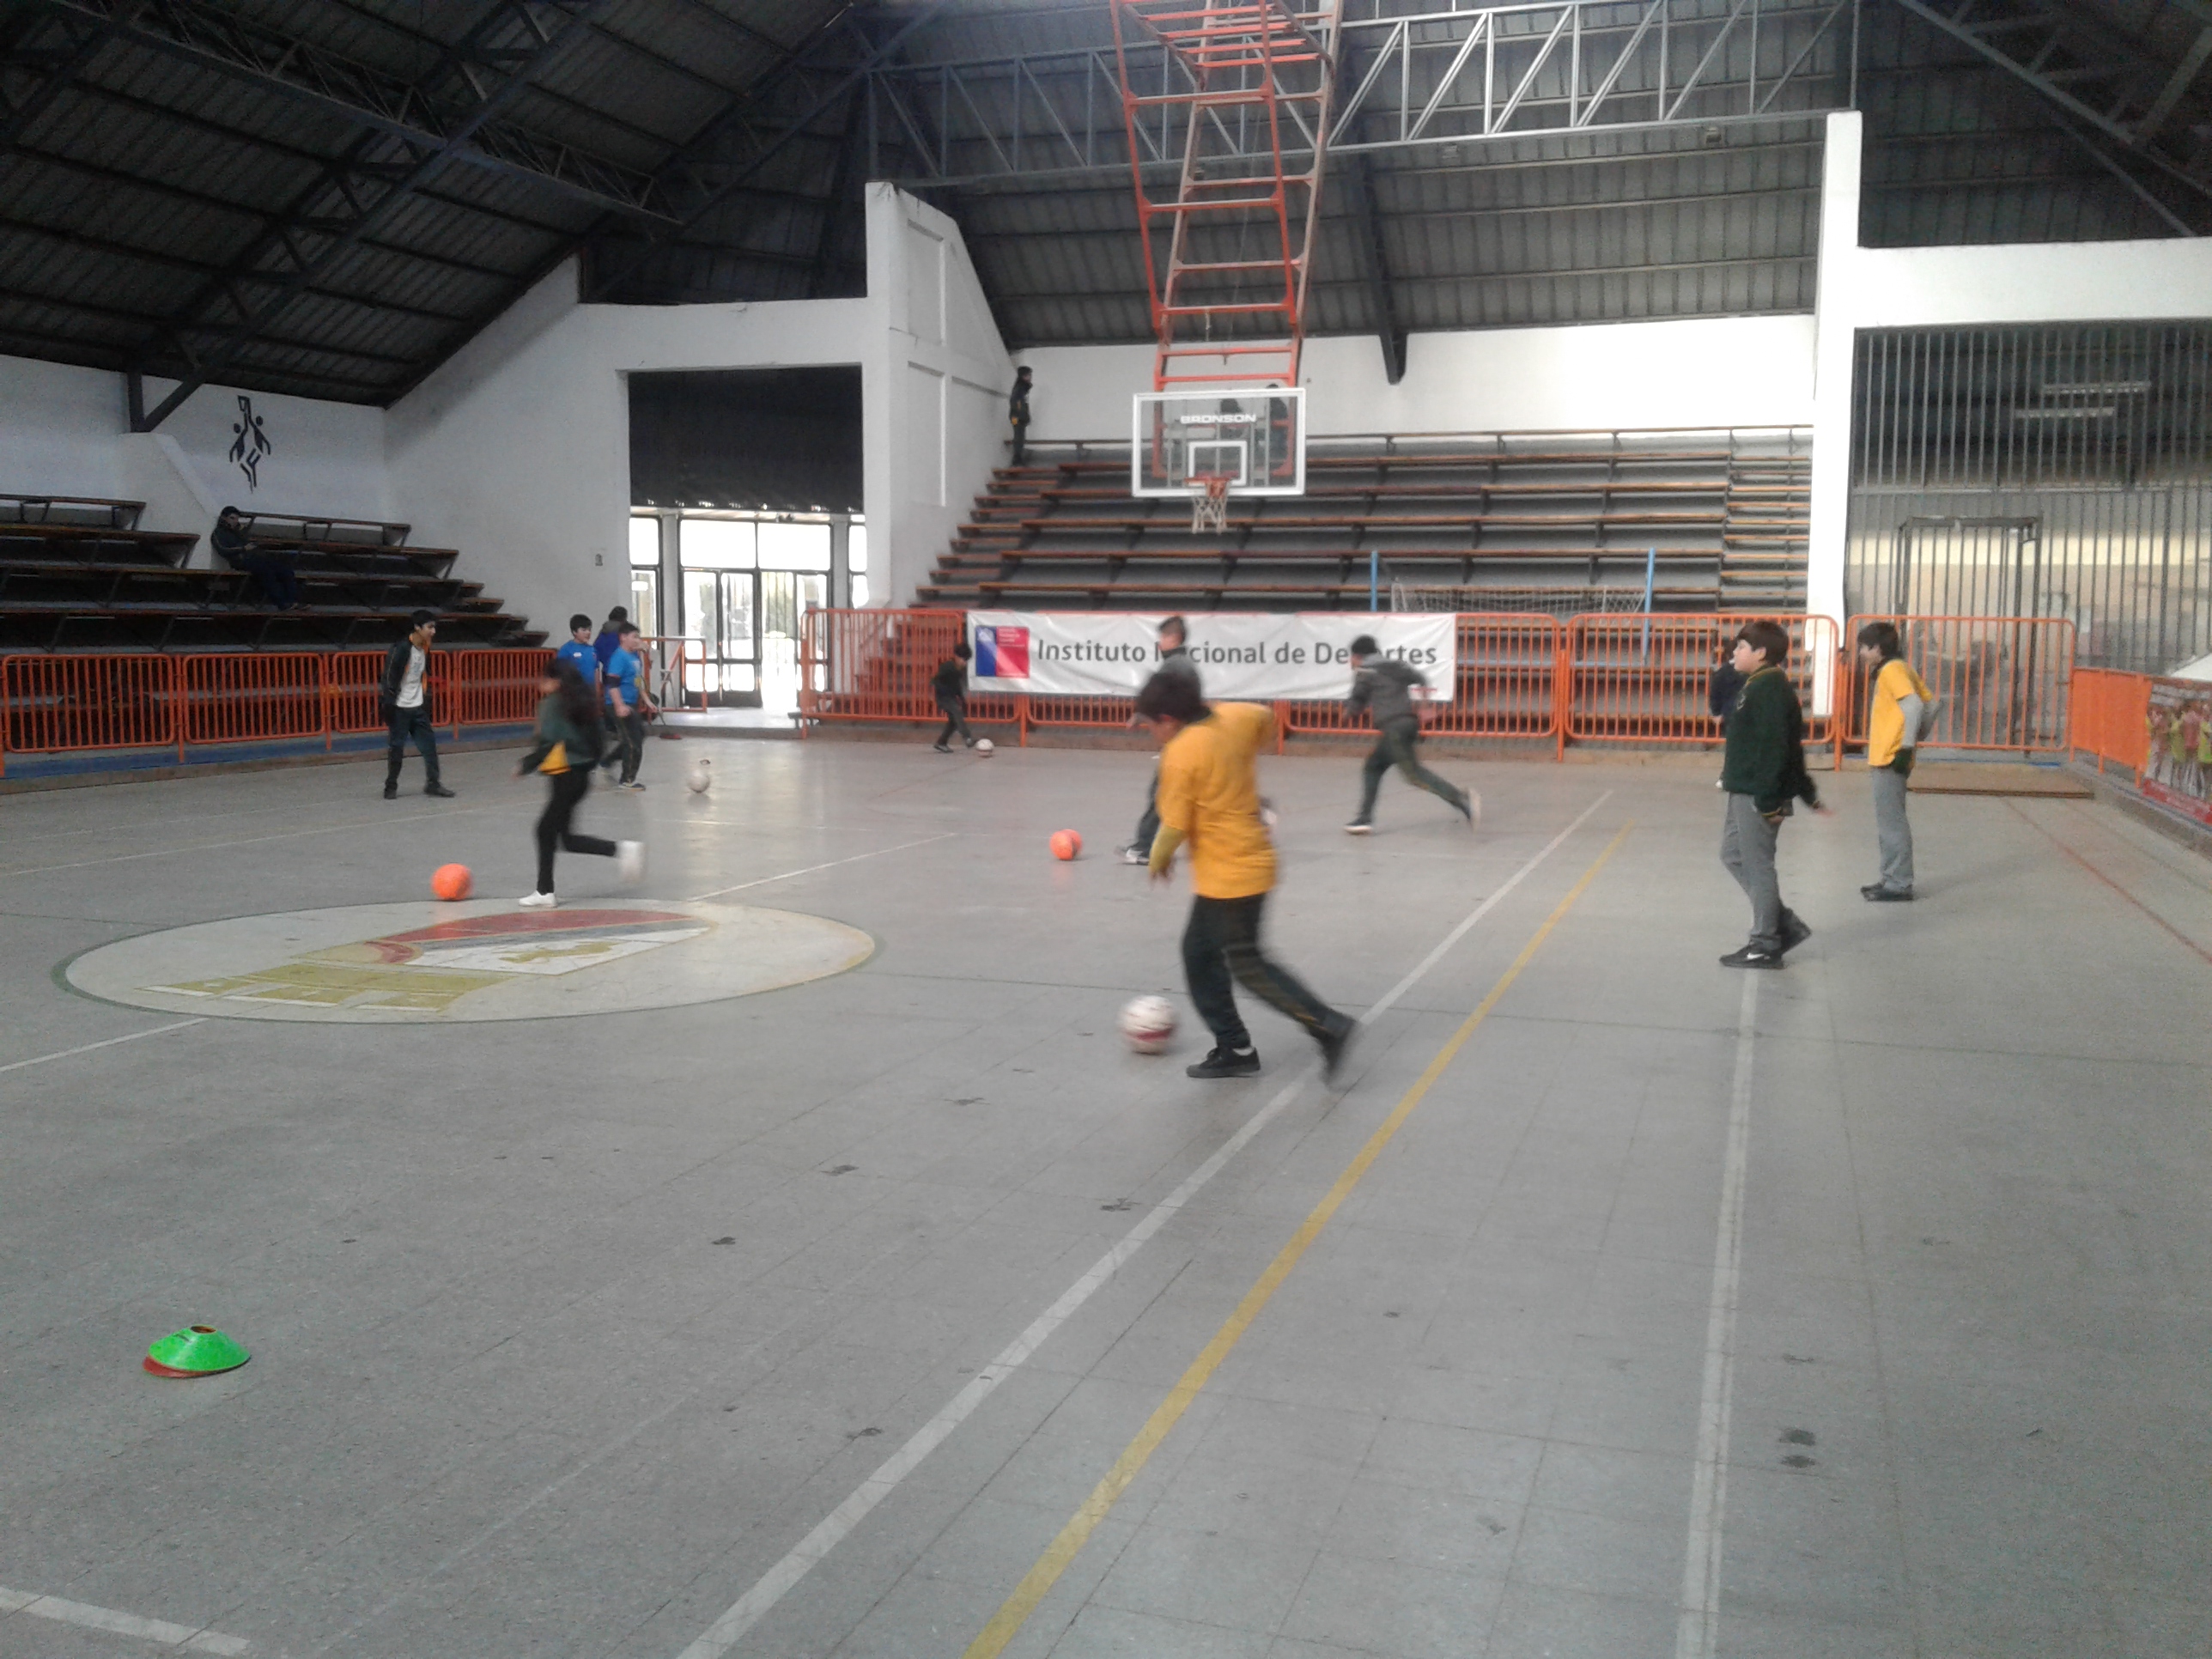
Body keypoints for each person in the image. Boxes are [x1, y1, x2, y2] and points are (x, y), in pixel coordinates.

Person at [1139, 669, 1356, 1081]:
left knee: (1247, 964)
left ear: (1168, 719)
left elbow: (1174, 826)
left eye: (1150, 724)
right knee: (1200, 954)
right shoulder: (1234, 716)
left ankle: (1327, 1025)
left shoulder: (1180, 753)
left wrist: (1157, 860)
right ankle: (1235, 1047)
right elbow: (1266, 719)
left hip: (1230, 877)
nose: (1150, 733)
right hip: (1248, 864)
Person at [1717, 619, 1824, 969]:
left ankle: (1765, 942)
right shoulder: (1758, 684)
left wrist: (1769, 801)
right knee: (1732, 855)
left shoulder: (1770, 691)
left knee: (1758, 866)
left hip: (1757, 793)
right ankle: (1782, 923)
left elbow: (1777, 749)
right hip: (1743, 789)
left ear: (1761, 653)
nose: (1735, 653)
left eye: (1741, 647)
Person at [516, 658, 641, 908]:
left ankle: (545, 891)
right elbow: (598, 739)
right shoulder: (582, 701)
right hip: (580, 776)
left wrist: (526, 764)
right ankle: (622, 850)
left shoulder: (553, 703)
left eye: (545, 678)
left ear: (554, 681)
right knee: (566, 838)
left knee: (544, 830)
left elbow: (549, 740)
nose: (541, 683)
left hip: (564, 775)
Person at [1342, 635, 1474, 834]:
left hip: (1393, 728)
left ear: (1357, 656)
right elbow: (1421, 679)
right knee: (1373, 767)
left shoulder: (1365, 671)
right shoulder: (1395, 666)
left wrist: (1346, 714)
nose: (1351, 662)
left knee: (1414, 774)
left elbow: (1357, 702)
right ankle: (1364, 818)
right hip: (1407, 724)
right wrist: (1425, 706)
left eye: (1351, 657)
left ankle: (1460, 798)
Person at [1857, 620, 1930, 902]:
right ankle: (1890, 876)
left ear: (1877, 648)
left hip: (1889, 755)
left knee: (1892, 822)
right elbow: (1929, 702)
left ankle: (1898, 883)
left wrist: (1906, 747)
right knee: (1888, 821)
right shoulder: (1900, 667)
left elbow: (1914, 704)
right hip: (1889, 753)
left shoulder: (1891, 670)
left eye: (1864, 648)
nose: (1862, 653)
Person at [1120, 616, 1200, 864]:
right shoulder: (1182, 664)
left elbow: (1159, 696)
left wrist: (1140, 714)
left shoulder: (1174, 666)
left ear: (1174, 638)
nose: (1159, 643)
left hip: (1181, 742)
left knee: (1160, 793)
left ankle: (1145, 847)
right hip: (1190, 740)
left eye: (1163, 638)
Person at [380, 609, 452, 799]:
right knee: (396, 749)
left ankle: (433, 784)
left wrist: (426, 699)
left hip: (418, 707)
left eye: (434, 627)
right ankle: (391, 785)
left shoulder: (425, 648)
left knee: (429, 747)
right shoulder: (401, 648)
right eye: (430, 627)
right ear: (417, 628)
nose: (433, 631)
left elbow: (424, 675)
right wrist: (389, 704)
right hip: (400, 708)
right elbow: (388, 678)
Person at [210, 505, 298, 610]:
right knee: (267, 573)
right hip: (241, 560)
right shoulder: (218, 533)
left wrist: (243, 532)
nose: (235, 521)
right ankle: (282, 603)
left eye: (237, 519)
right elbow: (223, 550)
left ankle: (293, 601)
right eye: (232, 518)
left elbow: (248, 541)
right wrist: (243, 549)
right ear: (224, 518)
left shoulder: (238, 532)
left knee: (285, 570)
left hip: (254, 557)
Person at [604, 621, 656, 789]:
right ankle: (627, 779)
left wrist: (647, 700)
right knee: (633, 742)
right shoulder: (619, 657)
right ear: (623, 637)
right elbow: (612, 685)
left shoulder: (635, 657)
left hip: (631, 703)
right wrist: (619, 705)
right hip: (618, 704)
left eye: (638, 637)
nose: (638, 640)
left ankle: (608, 760)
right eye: (635, 637)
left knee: (639, 734)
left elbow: (637, 680)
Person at [932, 640, 975, 751]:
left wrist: (962, 699)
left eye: (966, 661)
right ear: (956, 657)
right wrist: (943, 690)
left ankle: (941, 742)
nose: (965, 663)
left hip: (951, 698)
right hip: (943, 697)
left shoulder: (959, 670)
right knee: (957, 712)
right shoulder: (947, 666)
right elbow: (935, 680)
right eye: (963, 660)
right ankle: (967, 738)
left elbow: (957, 687)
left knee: (953, 721)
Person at [555, 613, 600, 695]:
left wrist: (597, 691)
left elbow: (596, 670)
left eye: (589, 630)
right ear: (574, 632)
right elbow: (560, 673)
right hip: (573, 694)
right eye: (584, 630)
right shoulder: (566, 649)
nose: (588, 633)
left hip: (590, 693)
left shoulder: (592, 650)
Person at [1008, 366, 1033, 467]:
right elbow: (1014, 403)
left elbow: (1024, 404)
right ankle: (1017, 459)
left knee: (1021, 438)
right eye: (1028, 375)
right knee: (1019, 438)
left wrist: (1026, 416)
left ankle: (1018, 458)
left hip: (1021, 417)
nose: (1030, 377)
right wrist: (1018, 416)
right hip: (1017, 418)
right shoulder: (1019, 388)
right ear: (1022, 376)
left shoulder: (1023, 388)